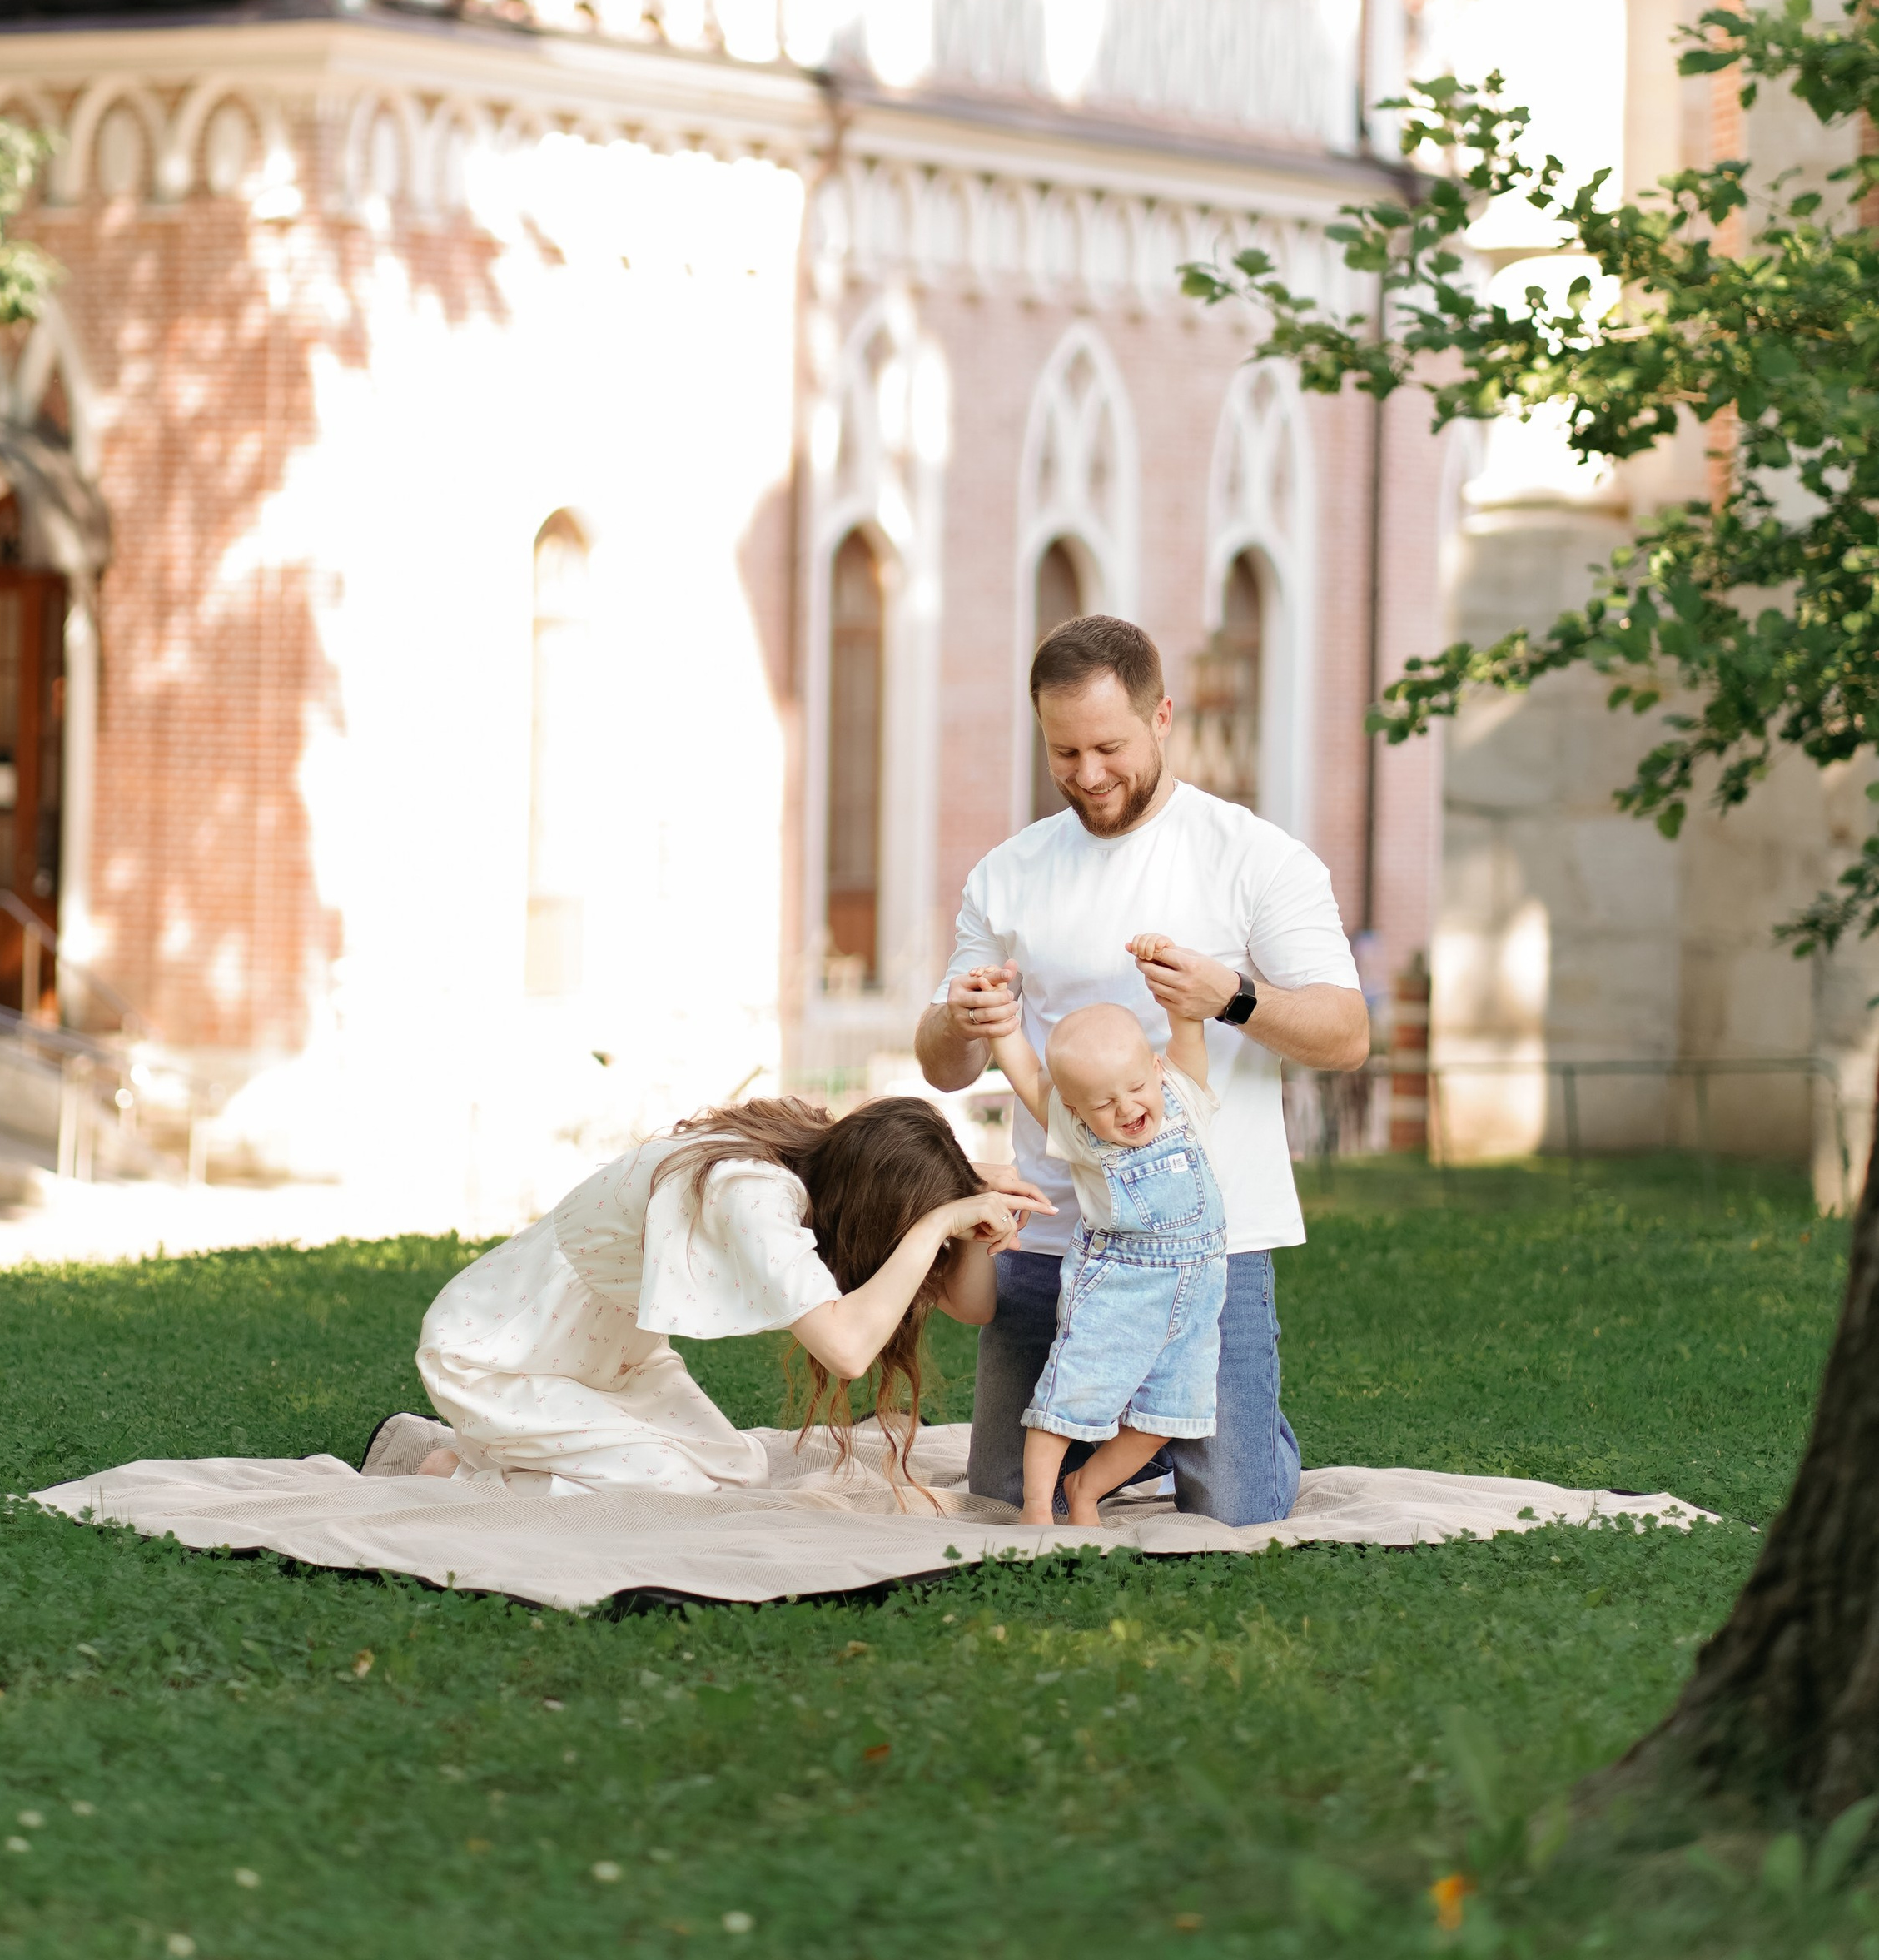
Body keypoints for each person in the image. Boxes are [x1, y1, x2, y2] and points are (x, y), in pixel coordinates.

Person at [917, 612, 1368, 1522]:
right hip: (1053, 1235)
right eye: (1063, 752)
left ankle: (1216, 1431)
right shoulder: (1009, 874)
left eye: (1108, 746)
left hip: (1210, 1240)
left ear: (1163, 718)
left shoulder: (1254, 859)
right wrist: (962, 1021)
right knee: (1006, 1498)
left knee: (1235, 1507)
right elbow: (943, 1065)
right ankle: (1121, 1441)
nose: (1087, 776)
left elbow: (1347, 1033)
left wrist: (1230, 998)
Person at [385, 1096, 1050, 1498]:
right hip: (498, 1353)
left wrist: (967, 1200)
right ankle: (460, 1476)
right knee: (667, 1488)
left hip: (609, 1358)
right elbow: (848, 1350)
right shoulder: (753, 1195)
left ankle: (511, 1455)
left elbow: (975, 1307)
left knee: (734, 1473)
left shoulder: (819, 1161)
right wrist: (937, 1222)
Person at [980, 996, 1227, 1528]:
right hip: (1121, 1289)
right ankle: (1038, 1507)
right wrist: (1002, 1027)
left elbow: (1190, 1032)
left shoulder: (1183, 1094)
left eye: (1136, 1088)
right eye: (1102, 1102)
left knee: (1168, 1415)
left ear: (1156, 1071)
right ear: (1073, 1109)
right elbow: (1027, 1076)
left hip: (1196, 1299)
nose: (1126, 1108)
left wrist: (1178, 989)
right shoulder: (1080, 1133)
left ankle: (1086, 1488)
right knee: (1072, 1394)